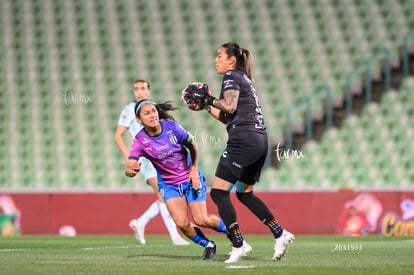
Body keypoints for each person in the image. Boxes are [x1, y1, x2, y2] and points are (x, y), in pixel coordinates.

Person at [183, 42, 295, 263]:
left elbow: (230, 106)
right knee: (244, 194)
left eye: (219, 55)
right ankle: (280, 233)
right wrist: (207, 106)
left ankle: (238, 244)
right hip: (259, 140)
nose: (216, 60)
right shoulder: (245, 79)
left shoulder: (231, 76)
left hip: (243, 140)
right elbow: (228, 116)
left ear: (231, 60)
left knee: (218, 193)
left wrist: (208, 98)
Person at [125, 100, 228, 260]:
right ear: (138, 119)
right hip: (169, 184)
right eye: (147, 113)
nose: (152, 115)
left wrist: (194, 168)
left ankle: (232, 233)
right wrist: (131, 170)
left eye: (153, 111)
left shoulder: (171, 127)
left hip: (189, 177)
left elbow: (192, 145)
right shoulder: (140, 140)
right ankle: (209, 245)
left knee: (202, 220)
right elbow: (130, 165)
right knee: (182, 224)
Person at [115, 79, 189, 245]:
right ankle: (174, 236)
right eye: (136, 89)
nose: (139, 92)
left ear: (148, 91)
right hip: (146, 157)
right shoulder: (130, 110)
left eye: (142, 88)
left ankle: (140, 223)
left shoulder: (153, 108)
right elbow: (118, 134)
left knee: (165, 194)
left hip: (163, 156)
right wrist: (129, 157)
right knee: (163, 195)